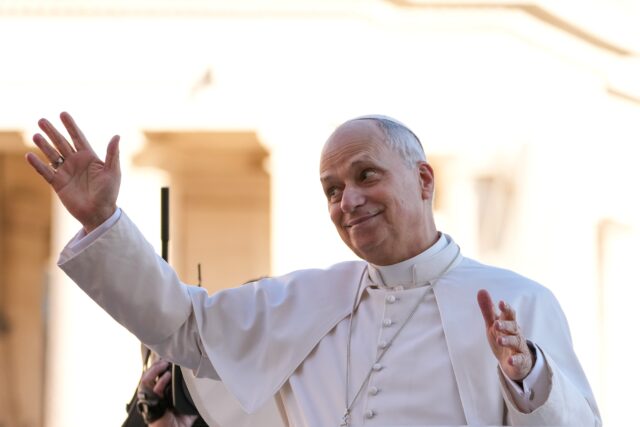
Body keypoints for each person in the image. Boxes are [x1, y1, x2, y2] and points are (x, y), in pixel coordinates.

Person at [26, 112, 601, 426]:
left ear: (424, 180)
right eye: (332, 189)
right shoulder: (306, 299)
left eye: (366, 176)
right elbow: (184, 325)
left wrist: (530, 379)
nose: (348, 200)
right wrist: (103, 220)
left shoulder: (517, 303)